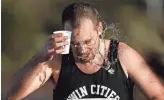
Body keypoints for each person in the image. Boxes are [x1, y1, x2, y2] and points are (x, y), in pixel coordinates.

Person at [7, 2, 164, 100]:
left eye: (88, 42)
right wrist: (39, 58)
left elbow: (158, 95)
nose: (82, 49)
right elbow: (11, 96)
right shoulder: (57, 61)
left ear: (99, 29)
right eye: (75, 43)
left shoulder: (123, 56)